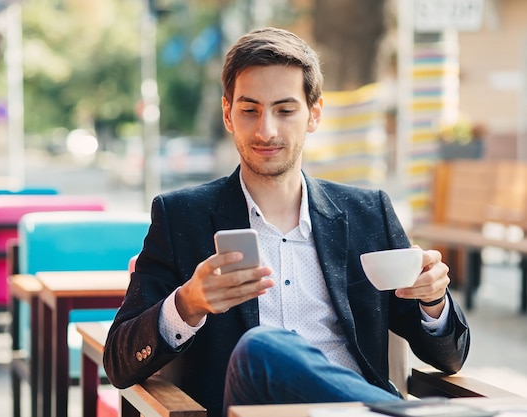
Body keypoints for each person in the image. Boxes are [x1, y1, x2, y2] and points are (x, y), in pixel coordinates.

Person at [103, 27, 470, 417]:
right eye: (250, 110)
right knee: (263, 348)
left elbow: (450, 358)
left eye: (285, 109)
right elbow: (119, 362)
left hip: (349, 412)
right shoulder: (181, 216)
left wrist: (432, 302)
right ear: (228, 114)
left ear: (314, 114)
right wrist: (189, 303)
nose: (267, 130)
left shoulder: (368, 212)